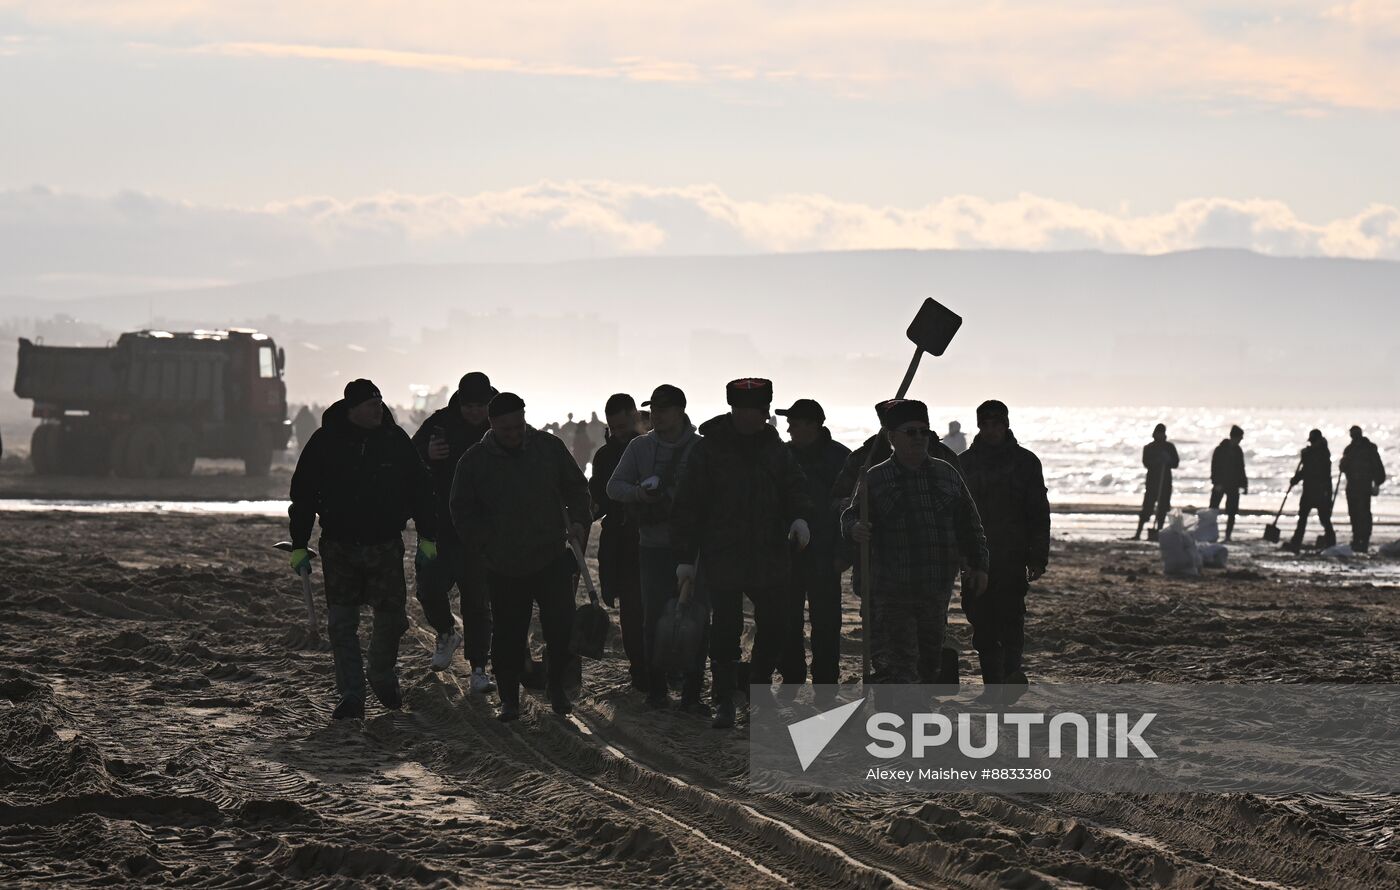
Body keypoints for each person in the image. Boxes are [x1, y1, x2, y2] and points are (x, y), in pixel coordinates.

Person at [288, 379, 438, 720]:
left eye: (380, 403)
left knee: (392, 619)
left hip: (384, 545)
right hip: (339, 546)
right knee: (341, 625)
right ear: (352, 408)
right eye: (371, 405)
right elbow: (304, 496)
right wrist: (299, 543)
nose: (378, 410)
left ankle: (382, 675)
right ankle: (352, 695)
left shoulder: (394, 440)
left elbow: (420, 488)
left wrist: (428, 534)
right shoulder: (325, 442)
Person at [672, 378, 812, 729]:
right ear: (735, 410)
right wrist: (686, 558)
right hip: (723, 552)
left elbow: (795, 486)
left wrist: (799, 517)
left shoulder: (774, 447)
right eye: (752, 411)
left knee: (776, 624)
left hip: (769, 552)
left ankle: (759, 693)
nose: (759, 418)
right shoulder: (709, 448)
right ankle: (724, 700)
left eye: (763, 412)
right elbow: (687, 503)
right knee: (725, 629)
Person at [450, 393, 591, 721]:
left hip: (550, 556)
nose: (514, 434)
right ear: (492, 424)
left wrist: (581, 521)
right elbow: (461, 510)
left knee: (560, 627)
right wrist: (484, 545)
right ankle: (509, 698)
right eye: (506, 429)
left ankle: (555, 687)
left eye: (519, 426)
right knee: (508, 635)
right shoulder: (474, 461)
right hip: (504, 565)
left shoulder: (548, 448)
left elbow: (576, 487)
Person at [843, 399, 988, 686]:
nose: (920, 438)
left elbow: (970, 524)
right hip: (892, 590)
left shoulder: (947, 474)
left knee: (928, 663)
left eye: (924, 431)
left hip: (935, 588)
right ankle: (899, 722)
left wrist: (979, 564)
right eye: (911, 432)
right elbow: (851, 515)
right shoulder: (876, 477)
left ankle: (912, 715)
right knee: (900, 665)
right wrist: (855, 529)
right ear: (892, 438)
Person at [607, 384, 709, 713]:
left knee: (696, 618)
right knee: (652, 619)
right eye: (655, 409)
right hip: (652, 545)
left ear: (680, 410)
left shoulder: (701, 449)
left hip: (694, 547)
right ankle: (656, 690)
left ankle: (693, 693)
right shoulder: (640, 447)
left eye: (665, 409)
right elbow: (614, 487)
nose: (658, 415)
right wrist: (640, 493)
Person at [956, 400, 1049, 702]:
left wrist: (1038, 557)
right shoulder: (965, 463)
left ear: (1007, 424)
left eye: (997, 423)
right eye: (986, 423)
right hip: (975, 557)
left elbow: (1038, 512)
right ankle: (992, 687)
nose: (992, 429)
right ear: (979, 425)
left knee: (1010, 620)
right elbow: (954, 513)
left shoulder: (1025, 462)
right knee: (981, 623)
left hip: (1012, 555)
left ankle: (1010, 679)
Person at [409, 371, 497, 692]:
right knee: (429, 588)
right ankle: (446, 632)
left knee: (476, 602)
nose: (475, 412)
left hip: (479, 532)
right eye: (469, 405)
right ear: (460, 402)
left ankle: (478, 669)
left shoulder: (498, 424)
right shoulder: (438, 424)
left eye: (481, 405)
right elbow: (410, 461)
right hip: (436, 529)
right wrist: (428, 457)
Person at [774, 398, 851, 689]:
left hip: (826, 554)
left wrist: (845, 554)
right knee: (787, 621)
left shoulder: (841, 459)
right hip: (787, 554)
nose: (788, 427)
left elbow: (851, 509)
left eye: (793, 421)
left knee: (827, 624)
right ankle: (792, 678)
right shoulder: (781, 456)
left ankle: (826, 684)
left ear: (812, 425)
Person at [589, 393, 647, 692]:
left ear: (635, 416)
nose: (619, 433)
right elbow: (597, 498)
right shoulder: (605, 455)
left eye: (623, 426)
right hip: (620, 543)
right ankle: (639, 669)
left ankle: (660, 666)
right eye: (614, 428)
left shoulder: (653, 449)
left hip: (655, 541)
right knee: (631, 609)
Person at [1284, 429, 1336, 552]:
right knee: (1302, 517)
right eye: (1311, 441)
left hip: (1320, 491)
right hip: (1308, 490)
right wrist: (1295, 479)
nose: (1312, 443)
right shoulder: (1310, 453)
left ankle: (1331, 541)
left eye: (1314, 441)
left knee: (1324, 518)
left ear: (1319, 440)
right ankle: (1296, 542)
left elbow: (1313, 471)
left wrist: (1328, 493)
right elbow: (1304, 471)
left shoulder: (1323, 454)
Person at [1340, 425, 1387, 552]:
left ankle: (1363, 541)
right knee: (1354, 514)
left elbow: (1378, 469)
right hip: (1353, 487)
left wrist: (1377, 484)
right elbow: (1343, 467)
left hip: (1363, 488)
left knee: (1363, 514)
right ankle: (1357, 539)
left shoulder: (1369, 449)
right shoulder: (1349, 450)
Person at [1134, 424, 1179, 540]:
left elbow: (1175, 463)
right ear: (1155, 433)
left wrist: (1168, 460)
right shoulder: (1149, 447)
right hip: (1152, 482)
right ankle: (1138, 533)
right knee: (1147, 508)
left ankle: (1159, 531)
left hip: (1165, 482)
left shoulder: (1169, 447)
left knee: (1163, 508)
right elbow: (1146, 463)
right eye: (1158, 433)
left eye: (1162, 433)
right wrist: (1157, 460)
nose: (1160, 435)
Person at [1209, 425, 1248, 542]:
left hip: (1234, 484)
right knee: (1213, 510)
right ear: (1234, 437)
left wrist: (1244, 485)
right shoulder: (1219, 450)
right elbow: (1214, 467)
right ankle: (1210, 533)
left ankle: (1227, 535)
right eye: (1240, 438)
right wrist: (1216, 482)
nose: (1240, 440)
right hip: (1220, 483)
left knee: (1232, 511)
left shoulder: (1238, 451)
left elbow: (1241, 468)